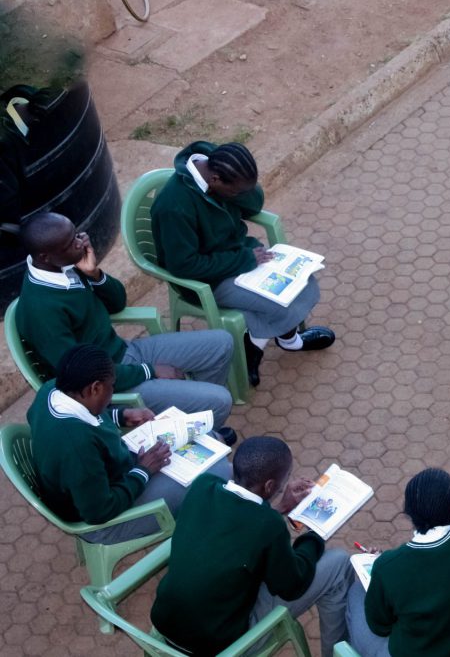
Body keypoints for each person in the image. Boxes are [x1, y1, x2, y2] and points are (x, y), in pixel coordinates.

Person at [17, 212, 234, 427]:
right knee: (220, 400)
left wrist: (95, 274)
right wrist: (148, 370)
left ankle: (198, 421)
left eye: (76, 234)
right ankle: (201, 424)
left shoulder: (65, 265)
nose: (80, 242)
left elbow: (118, 302)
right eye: (70, 243)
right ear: (45, 256)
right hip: (109, 383)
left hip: (123, 352)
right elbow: (82, 376)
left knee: (222, 343)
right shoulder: (40, 310)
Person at [150, 141, 335, 387]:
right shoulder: (173, 207)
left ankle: (269, 342)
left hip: (240, 253)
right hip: (207, 278)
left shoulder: (217, 161)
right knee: (278, 303)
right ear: (215, 180)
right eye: (236, 192)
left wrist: (244, 191)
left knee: (304, 282)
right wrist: (245, 260)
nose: (239, 196)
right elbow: (184, 266)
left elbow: (254, 205)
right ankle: (264, 347)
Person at [151, 436, 353, 657]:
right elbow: (292, 584)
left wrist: (279, 507)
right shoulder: (269, 526)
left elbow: (236, 524)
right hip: (220, 644)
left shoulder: (203, 485)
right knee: (339, 564)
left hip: (166, 623)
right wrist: (315, 536)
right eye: (284, 479)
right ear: (269, 486)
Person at [28, 344, 232, 544]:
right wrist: (144, 470)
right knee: (218, 473)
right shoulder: (77, 447)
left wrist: (121, 415)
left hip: (111, 476)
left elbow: (84, 418)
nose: (113, 393)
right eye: (112, 386)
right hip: (106, 520)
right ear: (95, 388)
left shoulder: (52, 390)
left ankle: (215, 444)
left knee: (208, 443)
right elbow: (100, 511)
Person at [345, 468, 450, 657]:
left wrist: (385, 571)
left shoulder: (388, 567)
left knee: (355, 593)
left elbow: (380, 627)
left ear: (409, 514)